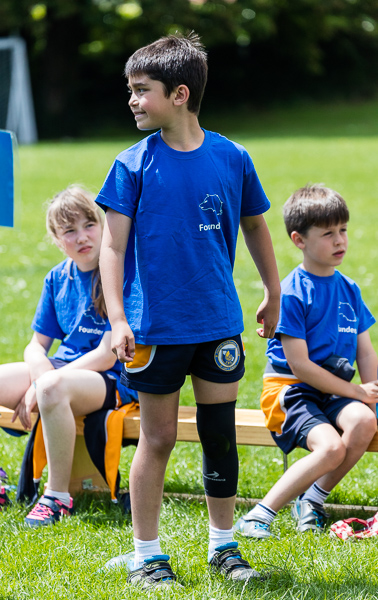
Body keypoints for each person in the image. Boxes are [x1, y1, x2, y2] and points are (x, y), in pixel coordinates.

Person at [96, 32, 280, 589]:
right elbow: (112, 247)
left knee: (219, 432)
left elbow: (254, 224)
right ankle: (146, 554)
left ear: (179, 93)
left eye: (140, 90)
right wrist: (120, 320)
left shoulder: (232, 157)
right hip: (157, 326)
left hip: (218, 323)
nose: (131, 99)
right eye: (130, 89)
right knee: (157, 439)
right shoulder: (130, 166)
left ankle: (224, 547)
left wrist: (272, 288)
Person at [235, 184, 378, 540]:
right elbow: (299, 366)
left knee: (363, 421)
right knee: (330, 448)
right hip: (291, 390)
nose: (340, 240)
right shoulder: (292, 292)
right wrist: (355, 389)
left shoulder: (350, 289)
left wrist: (371, 397)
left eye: (343, 230)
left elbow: (366, 352)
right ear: (299, 240)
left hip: (332, 390)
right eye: (328, 233)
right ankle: (259, 515)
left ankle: (312, 499)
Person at [0, 185, 137, 526]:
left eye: (89, 225)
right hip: (62, 370)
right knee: (40, 384)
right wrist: (39, 372)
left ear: (103, 225)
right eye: (69, 231)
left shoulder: (119, 269)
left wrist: (44, 381)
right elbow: (36, 345)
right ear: (57, 240)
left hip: (111, 379)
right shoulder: (57, 278)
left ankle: (56, 497)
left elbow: (108, 354)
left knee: (51, 389)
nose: (81, 237)